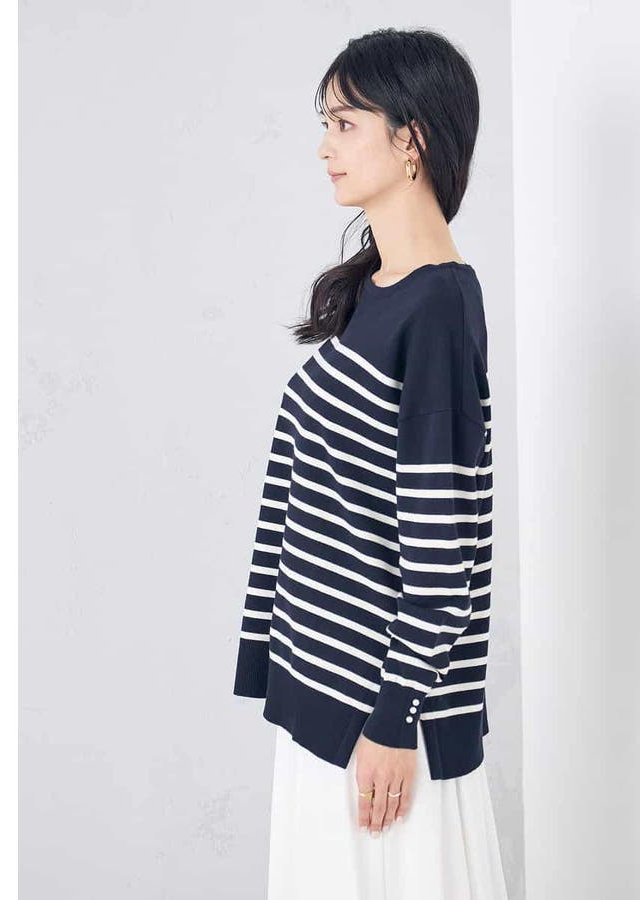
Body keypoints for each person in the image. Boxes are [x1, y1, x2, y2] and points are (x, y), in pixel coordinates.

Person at [233, 27, 508, 899]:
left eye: (346, 123)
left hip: (379, 719)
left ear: (411, 137)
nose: (326, 146)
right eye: (327, 123)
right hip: (327, 689)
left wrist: (393, 721)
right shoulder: (379, 292)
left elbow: (443, 550)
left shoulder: (439, 305)